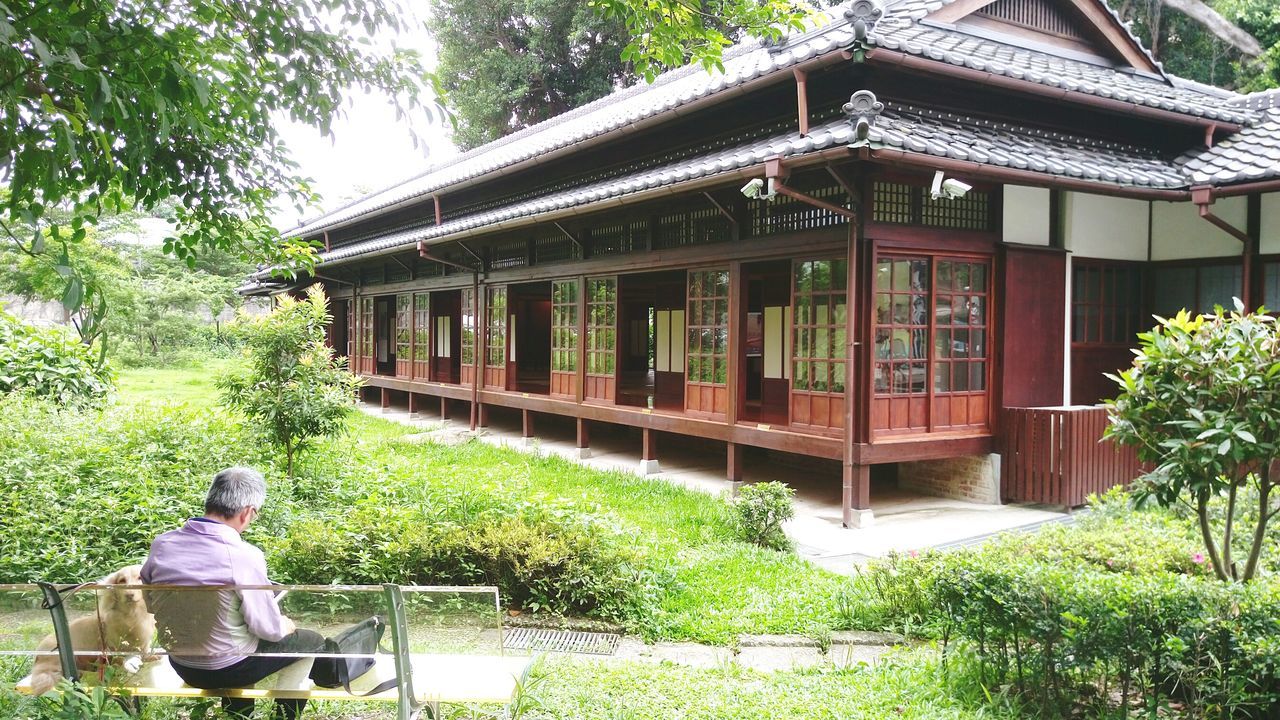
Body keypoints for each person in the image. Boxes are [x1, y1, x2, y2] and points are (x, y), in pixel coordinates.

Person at [141, 467, 323, 719]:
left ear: (211, 500)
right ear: (248, 511)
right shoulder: (244, 555)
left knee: (235, 636)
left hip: (181, 663)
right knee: (310, 641)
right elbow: (267, 630)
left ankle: (238, 715)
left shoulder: (162, 544)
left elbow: (151, 605)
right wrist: (285, 625)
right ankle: (284, 716)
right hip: (225, 667)